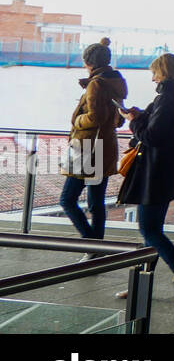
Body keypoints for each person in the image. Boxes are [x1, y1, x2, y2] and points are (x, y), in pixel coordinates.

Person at [117, 53, 174, 302]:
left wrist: (133, 122)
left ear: (164, 73)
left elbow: (153, 136)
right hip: (169, 164)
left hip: (157, 167)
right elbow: (162, 126)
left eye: (155, 73)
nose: (153, 78)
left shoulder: (168, 99)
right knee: (151, 229)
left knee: (150, 229)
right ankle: (140, 286)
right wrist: (142, 115)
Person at [61, 38, 127, 258]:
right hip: (106, 145)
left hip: (87, 148)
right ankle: (96, 248)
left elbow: (95, 117)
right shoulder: (114, 81)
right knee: (96, 201)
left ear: (88, 61)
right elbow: (117, 119)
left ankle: (91, 245)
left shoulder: (97, 84)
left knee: (68, 200)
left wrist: (77, 121)